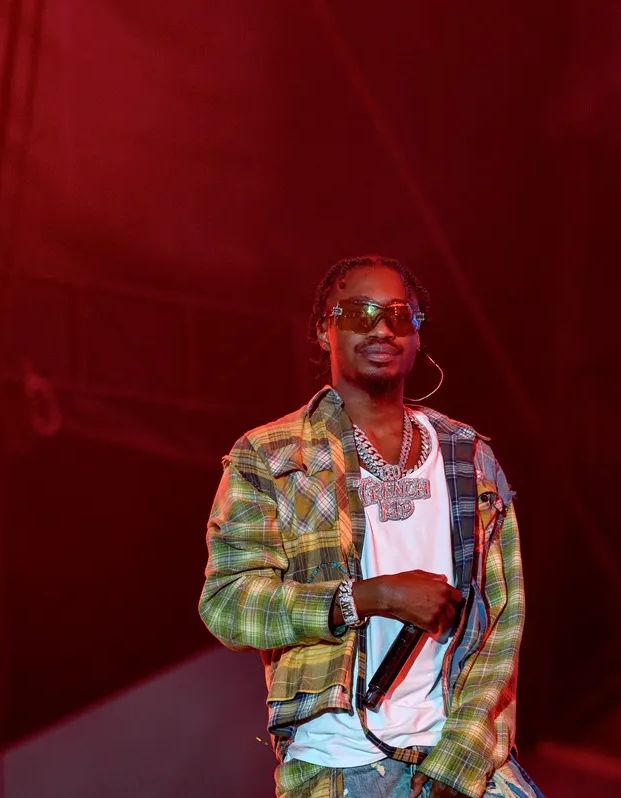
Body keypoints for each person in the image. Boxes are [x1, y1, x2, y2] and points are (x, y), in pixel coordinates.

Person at [199, 256, 541, 798]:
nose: (380, 328)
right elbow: (229, 604)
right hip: (338, 764)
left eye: (399, 315)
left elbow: (501, 621)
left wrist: (457, 764)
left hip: (462, 765)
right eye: (358, 313)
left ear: (418, 334)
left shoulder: (468, 456)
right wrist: (367, 597)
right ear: (323, 329)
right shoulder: (270, 455)